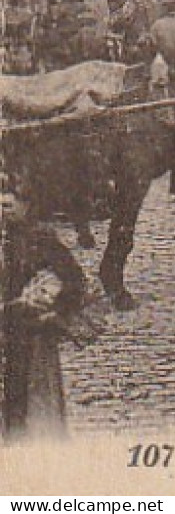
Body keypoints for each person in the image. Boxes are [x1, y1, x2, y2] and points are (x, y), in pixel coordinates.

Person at [1, 170, 88, 441]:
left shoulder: (41, 239)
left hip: (32, 337)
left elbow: (75, 281)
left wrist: (54, 310)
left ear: (26, 205)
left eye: (8, 204)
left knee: (32, 408)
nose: (3, 211)